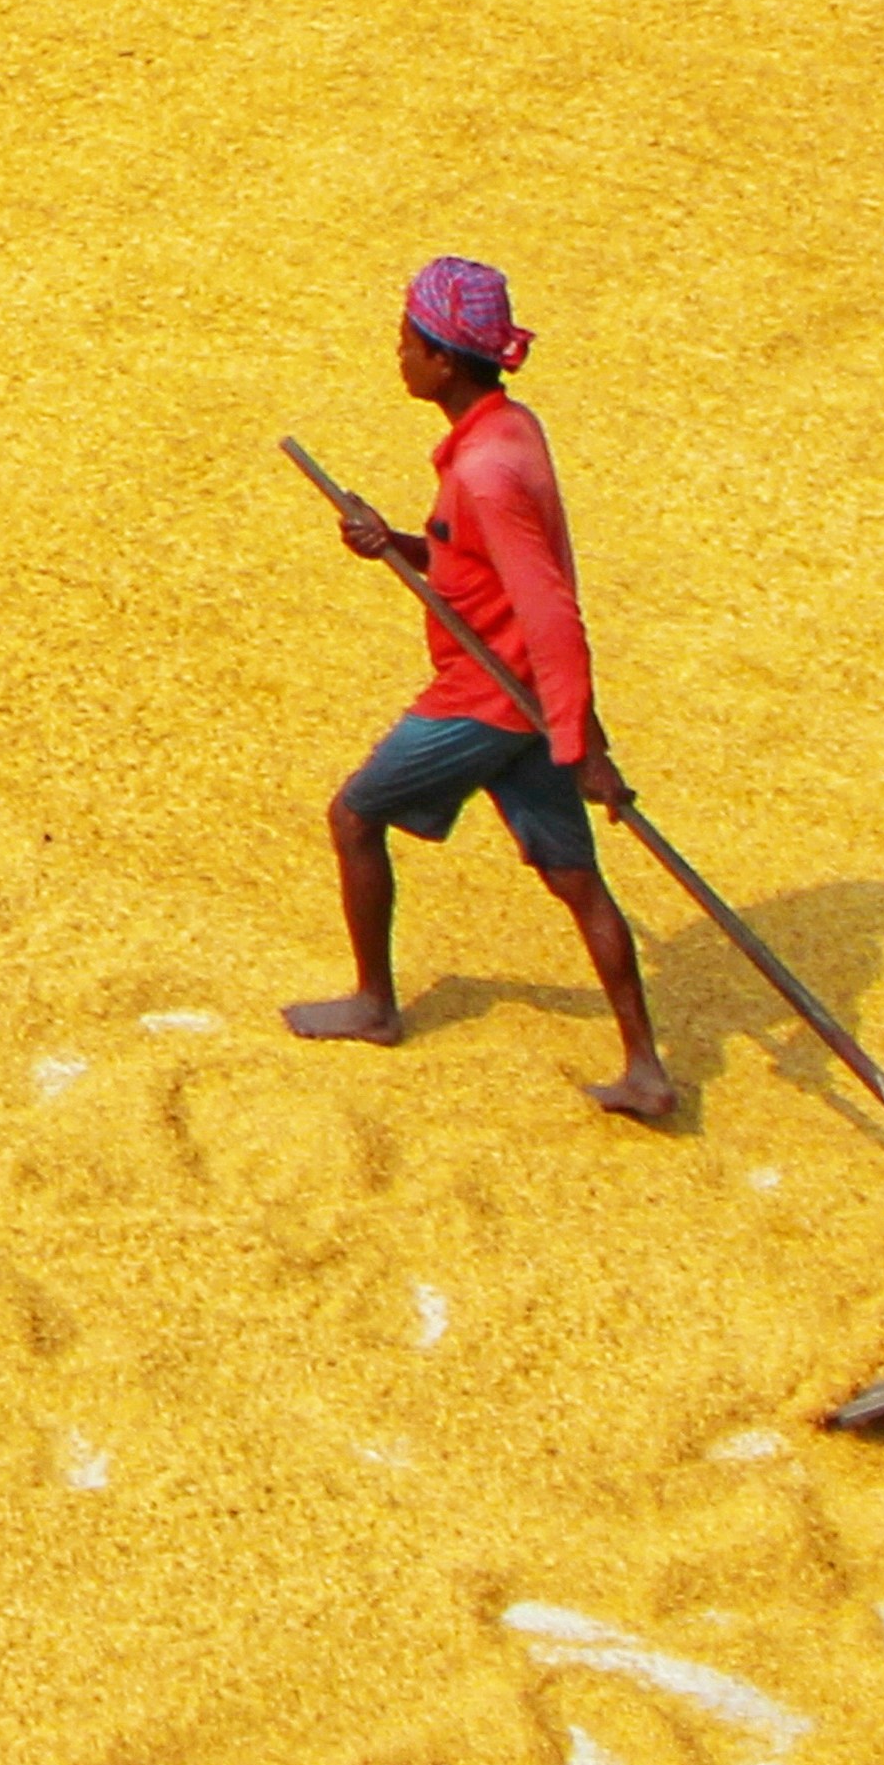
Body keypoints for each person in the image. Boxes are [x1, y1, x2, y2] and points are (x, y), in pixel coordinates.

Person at [285, 257, 680, 1122]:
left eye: (408, 344)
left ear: (446, 363)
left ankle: (375, 1003)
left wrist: (581, 749)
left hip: (489, 699)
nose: (399, 356)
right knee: (578, 882)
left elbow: (550, 614)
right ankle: (645, 1066)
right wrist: (396, 540)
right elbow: (479, 565)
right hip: (531, 699)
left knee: (354, 816)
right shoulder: (510, 433)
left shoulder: (485, 476)